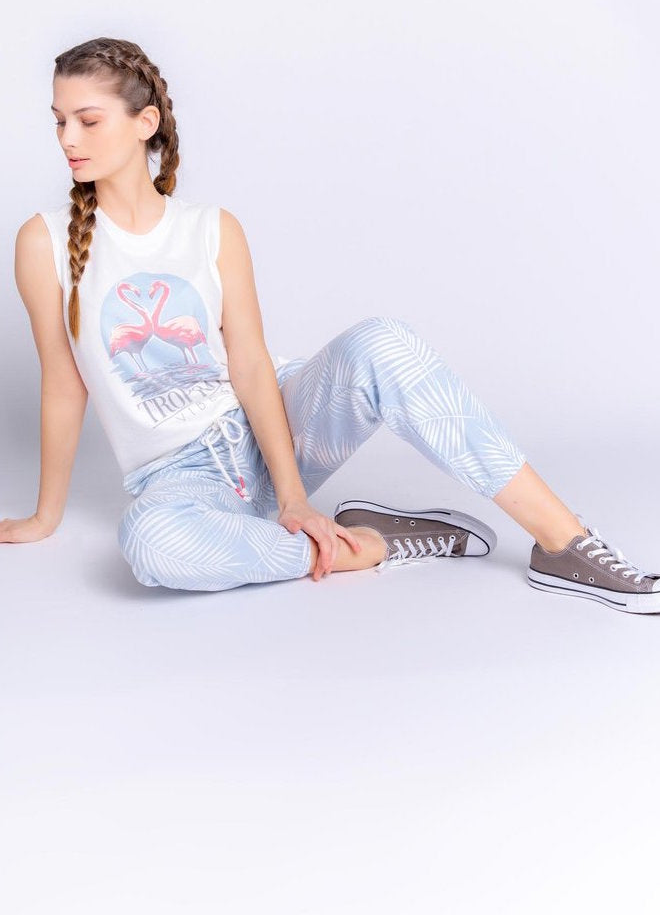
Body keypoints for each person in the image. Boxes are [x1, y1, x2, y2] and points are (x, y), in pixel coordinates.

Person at [3, 36, 658, 616]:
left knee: (384, 342)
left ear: (145, 123)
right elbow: (65, 385)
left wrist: (292, 496)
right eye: (59, 121)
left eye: (88, 121)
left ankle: (565, 545)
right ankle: (373, 544)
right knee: (150, 546)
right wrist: (46, 515)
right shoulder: (43, 242)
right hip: (180, 480)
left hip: (275, 428)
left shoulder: (210, 230)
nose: (68, 139)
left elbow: (252, 366)